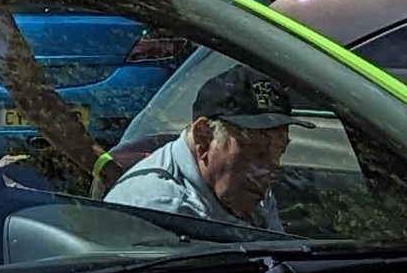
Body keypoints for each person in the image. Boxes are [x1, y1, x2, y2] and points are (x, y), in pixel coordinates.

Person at [105, 67, 306, 230]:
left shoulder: (250, 181)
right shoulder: (159, 207)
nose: (267, 170)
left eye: (277, 151)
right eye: (253, 149)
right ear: (203, 136)